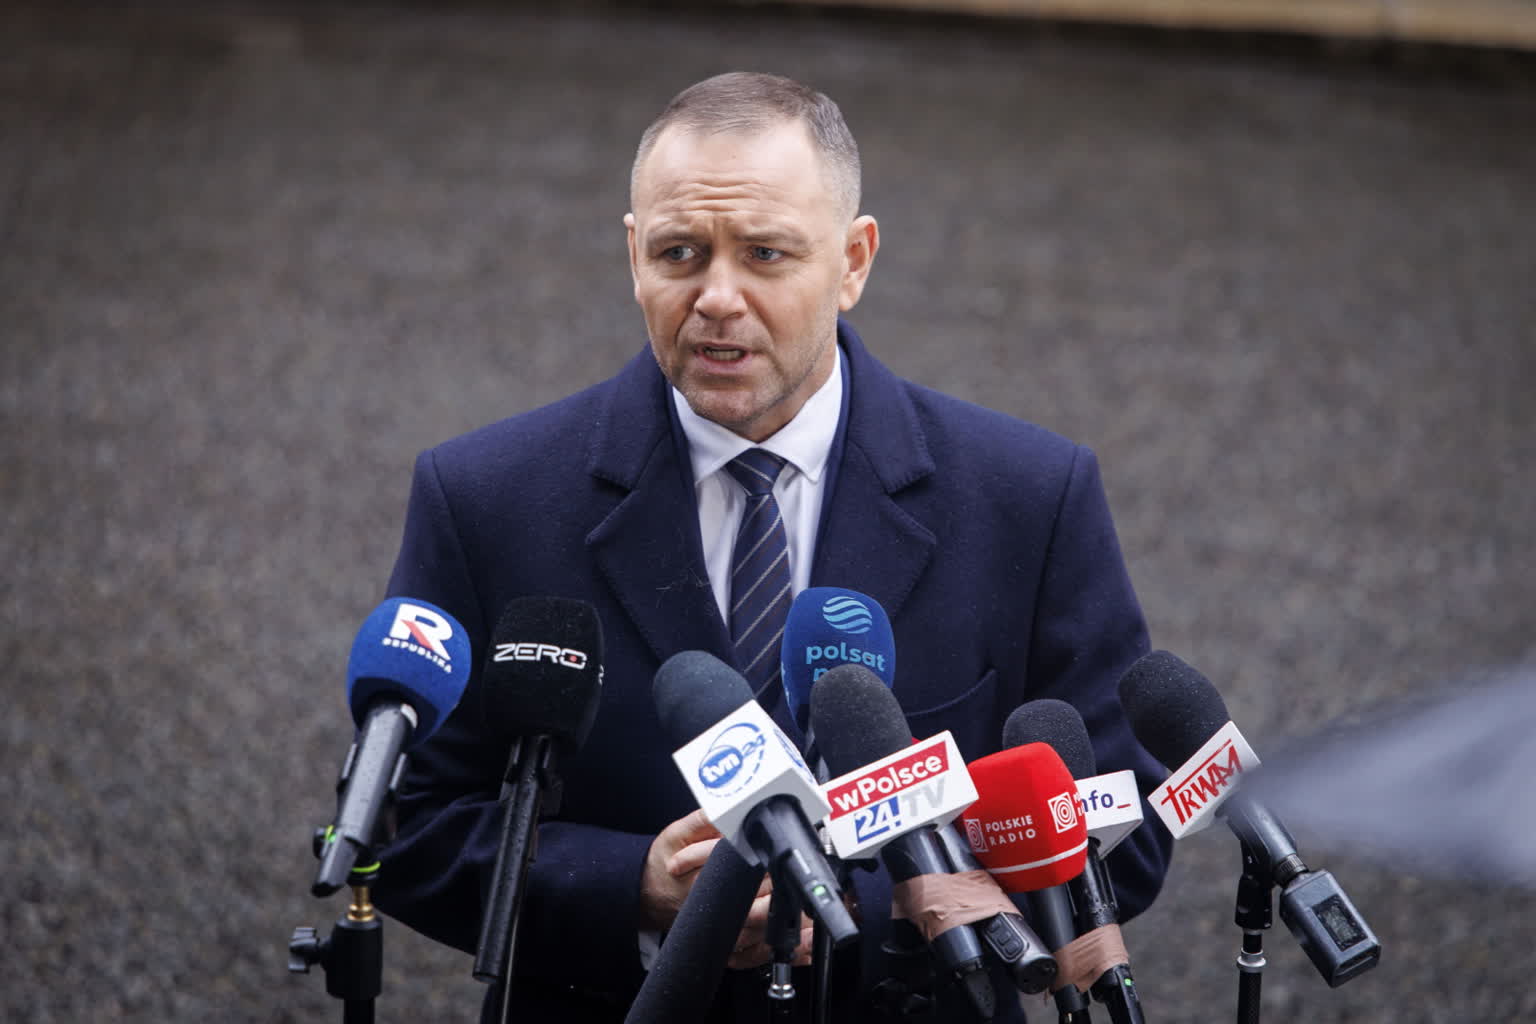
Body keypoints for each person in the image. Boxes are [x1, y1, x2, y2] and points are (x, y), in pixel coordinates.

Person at [374, 71, 1173, 1022]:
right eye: (680, 252)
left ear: (853, 261)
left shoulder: (1028, 498)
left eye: (765, 253)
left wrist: (854, 907)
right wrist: (633, 886)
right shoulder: (487, 498)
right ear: (633, 257)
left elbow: (1122, 830)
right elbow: (409, 825)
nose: (718, 297)